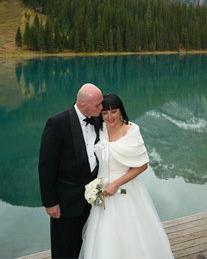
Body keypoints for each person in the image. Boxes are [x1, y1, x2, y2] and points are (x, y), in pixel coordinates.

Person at [79, 93, 173, 258]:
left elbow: (142, 165)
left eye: (113, 111)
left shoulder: (131, 131)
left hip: (125, 191)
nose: (109, 117)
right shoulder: (99, 130)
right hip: (103, 194)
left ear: (121, 110)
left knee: (131, 235)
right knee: (104, 236)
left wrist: (116, 184)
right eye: (105, 113)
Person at [39, 83, 103, 258]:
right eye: (98, 105)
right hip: (65, 203)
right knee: (64, 249)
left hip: (92, 203)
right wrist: (50, 202)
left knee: (89, 245)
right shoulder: (57, 123)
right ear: (83, 106)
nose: (101, 107)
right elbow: (46, 166)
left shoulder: (98, 119)